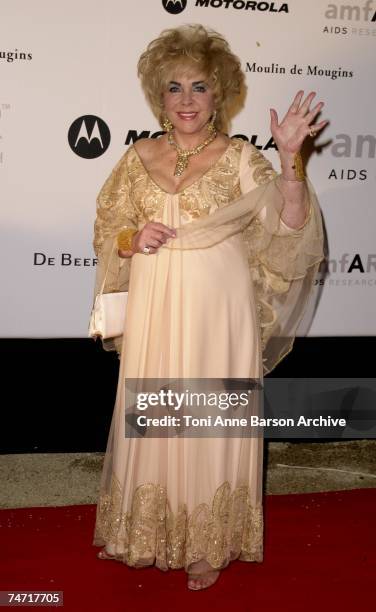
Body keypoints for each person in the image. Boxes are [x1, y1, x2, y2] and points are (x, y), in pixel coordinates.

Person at [91, 24, 326, 590]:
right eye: (175, 88)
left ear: (219, 93)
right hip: (154, 308)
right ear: (160, 96)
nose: (188, 100)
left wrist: (291, 157)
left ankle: (210, 542)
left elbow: (290, 225)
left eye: (199, 86)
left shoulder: (243, 158)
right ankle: (145, 532)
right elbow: (107, 227)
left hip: (219, 313)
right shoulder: (136, 157)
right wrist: (130, 239)